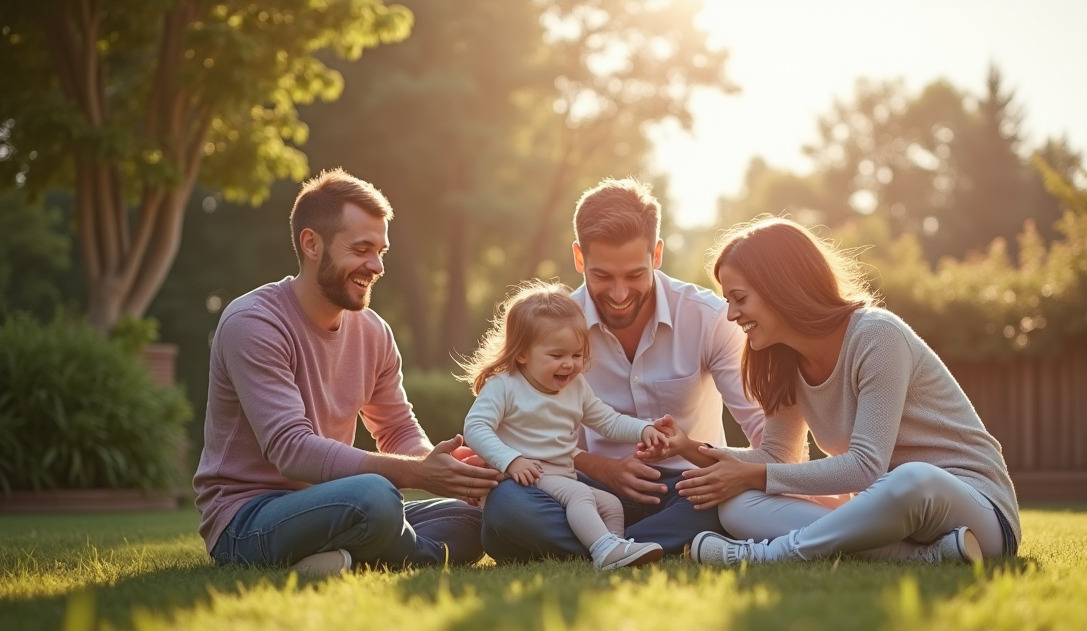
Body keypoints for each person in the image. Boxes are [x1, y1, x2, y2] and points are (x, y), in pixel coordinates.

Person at [645, 217, 1020, 566]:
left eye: (739, 299)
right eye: (728, 301)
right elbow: (777, 456)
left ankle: (768, 555)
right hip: (891, 515)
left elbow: (866, 467)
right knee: (737, 506)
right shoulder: (784, 362)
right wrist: (686, 447)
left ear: (780, 287)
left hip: (976, 511)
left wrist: (752, 475)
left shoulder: (877, 335)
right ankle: (924, 556)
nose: (731, 315)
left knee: (912, 478)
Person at [194, 168, 501, 577]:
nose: (376, 266)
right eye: (361, 249)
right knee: (375, 496)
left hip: (336, 504)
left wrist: (448, 468)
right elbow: (291, 449)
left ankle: (346, 561)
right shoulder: (253, 323)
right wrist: (416, 473)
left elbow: (397, 431)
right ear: (311, 244)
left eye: (381, 251)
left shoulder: (373, 331)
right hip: (247, 520)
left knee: (476, 518)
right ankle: (388, 552)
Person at [480, 178, 765, 562]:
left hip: (687, 489)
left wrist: (749, 475)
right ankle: (623, 545)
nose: (618, 294)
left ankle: (599, 546)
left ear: (656, 254)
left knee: (729, 499)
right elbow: (521, 432)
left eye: (634, 275)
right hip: (584, 486)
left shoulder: (709, 319)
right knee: (508, 503)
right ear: (579, 259)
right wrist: (602, 467)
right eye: (601, 276)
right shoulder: (552, 327)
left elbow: (762, 431)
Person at [460, 281, 671, 569]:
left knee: (610, 504)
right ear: (522, 353)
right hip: (524, 479)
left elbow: (607, 420)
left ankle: (615, 550)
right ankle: (602, 548)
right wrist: (512, 461)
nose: (569, 365)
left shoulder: (576, 387)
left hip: (561, 476)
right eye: (556, 356)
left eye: (576, 355)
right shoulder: (505, 386)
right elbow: (475, 427)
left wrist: (644, 429)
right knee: (581, 494)